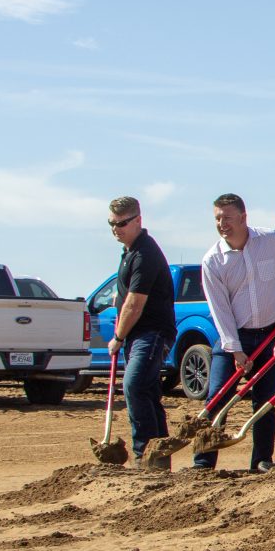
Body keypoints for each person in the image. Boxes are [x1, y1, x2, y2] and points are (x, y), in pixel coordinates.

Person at [192, 193, 275, 473]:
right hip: (234, 337)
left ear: (243, 217)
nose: (222, 224)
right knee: (217, 397)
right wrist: (235, 349)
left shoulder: (271, 240)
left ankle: (261, 461)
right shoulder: (213, 261)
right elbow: (219, 309)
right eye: (217, 219)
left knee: (265, 402)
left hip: (272, 334)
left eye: (227, 218)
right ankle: (203, 462)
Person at [106, 196, 175, 468]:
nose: (116, 229)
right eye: (111, 224)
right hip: (139, 334)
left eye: (122, 223)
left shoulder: (145, 253)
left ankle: (143, 455)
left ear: (138, 220)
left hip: (152, 332)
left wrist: (118, 338)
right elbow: (124, 300)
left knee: (134, 386)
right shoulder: (130, 252)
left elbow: (135, 304)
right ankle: (158, 457)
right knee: (146, 391)